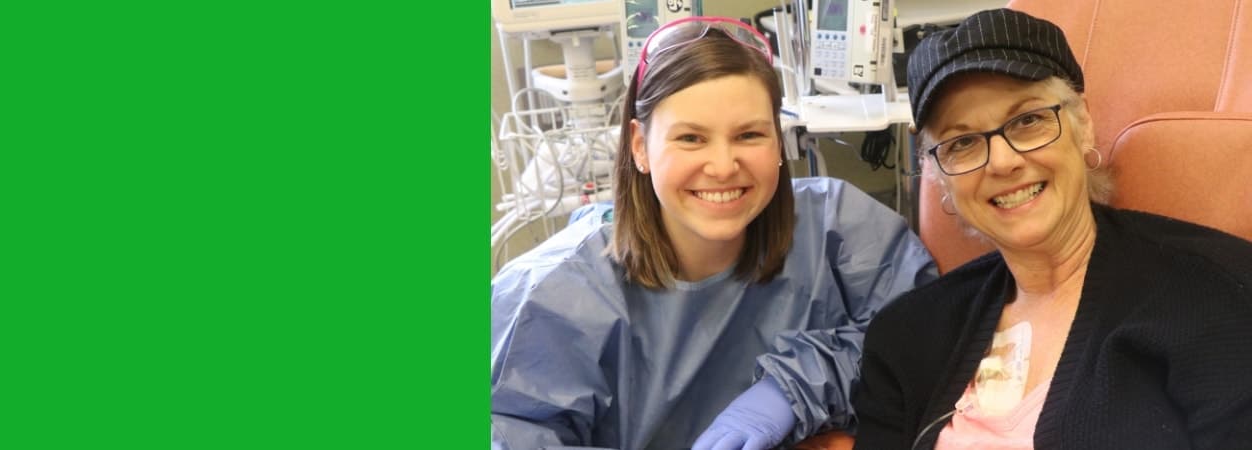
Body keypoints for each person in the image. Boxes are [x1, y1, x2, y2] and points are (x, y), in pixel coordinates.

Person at [491, 16, 938, 450]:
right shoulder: (551, 297)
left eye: (748, 134)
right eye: (690, 138)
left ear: (778, 143)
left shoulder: (839, 230)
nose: (723, 166)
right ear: (640, 147)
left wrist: (792, 390)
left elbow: (925, 335)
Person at [851, 8, 1252, 450]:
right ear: (941, 176)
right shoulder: (907, 337)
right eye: (962, 142)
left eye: (1027, 120)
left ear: (1082, 124)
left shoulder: (1215, 298)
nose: (1003, 162)